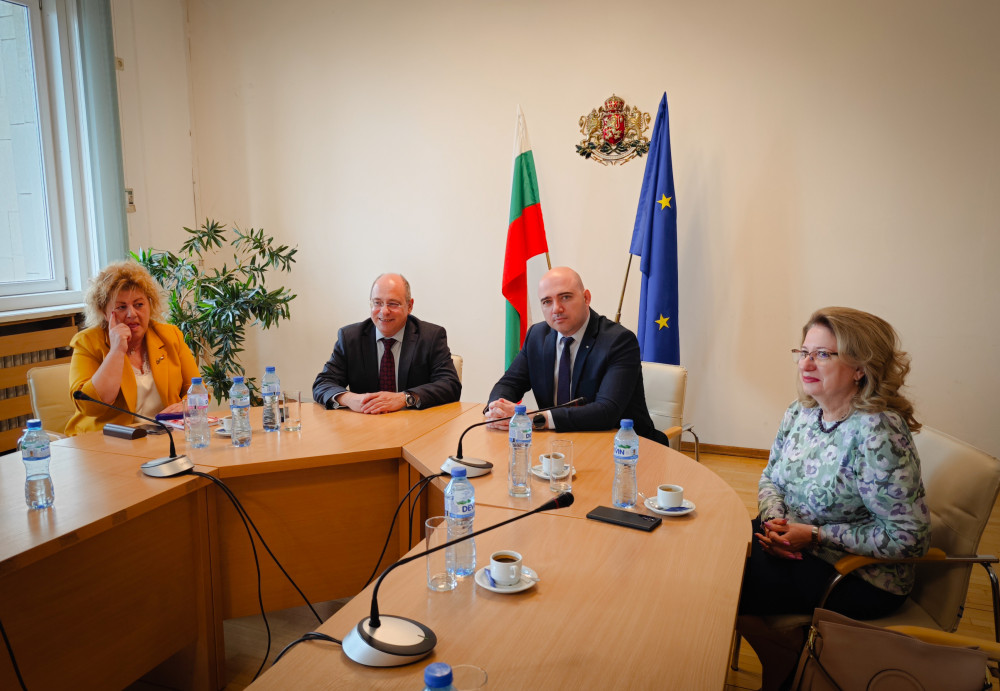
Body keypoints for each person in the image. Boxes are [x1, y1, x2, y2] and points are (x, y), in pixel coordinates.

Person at [738, 306, 931, 690]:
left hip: (858, 575)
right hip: (792, 544)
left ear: (860, 367)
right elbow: (771, 477)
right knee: (710, 553)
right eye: (803, 352)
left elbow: (910, 538)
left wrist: (813, 535)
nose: (806, 363)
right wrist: (775, 519)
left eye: (823, 354)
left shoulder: (877, 432)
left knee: (722, 586)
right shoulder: (801, 412)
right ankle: (785, 654)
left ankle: (786, 659)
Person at [485, 266, 668, 445]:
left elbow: (606, 412)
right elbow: (509, 384)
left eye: (565, 297)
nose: (556, 309)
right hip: (558, 444)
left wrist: (533, 418)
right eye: (547, 301)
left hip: (626, 448)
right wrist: (496, 409)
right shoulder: (537, 336)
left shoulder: (619, 341)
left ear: (586, 298)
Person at [66, 261, 200, 436]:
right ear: (104, 312)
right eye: (121, 307)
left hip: (163, 436)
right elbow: (90, 406)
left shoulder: (170, 335)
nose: (132, 314)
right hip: (106, 440)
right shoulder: (87, 342)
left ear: (150, 305)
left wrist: (187, 405)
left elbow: (198, 389)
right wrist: (116, 350)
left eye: (139, 304)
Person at [312, 273, 461, 413]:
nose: (384, 311)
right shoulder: (350, 338)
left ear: (409, 306)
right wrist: (350, 399)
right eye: (377, 303)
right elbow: (323, 383)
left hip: (415, 423)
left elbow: (450, 384)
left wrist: (404, 398)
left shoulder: (431, 336)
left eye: (393, 304)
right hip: (365, 423)